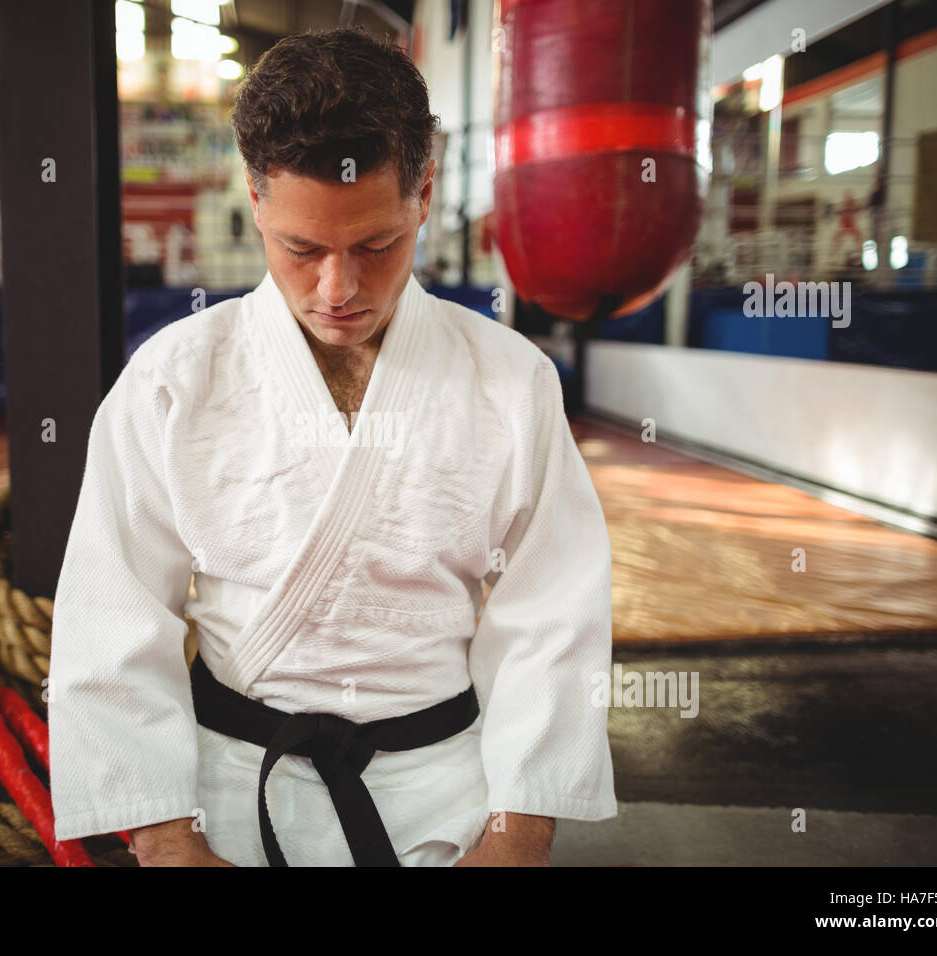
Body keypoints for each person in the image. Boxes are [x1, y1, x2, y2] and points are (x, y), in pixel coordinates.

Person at [47, 27, 616, 867]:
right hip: (230, 788)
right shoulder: (173, 379)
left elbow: (553, 621)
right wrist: (168, 839)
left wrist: (520, 828)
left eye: (375, 246)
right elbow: (114, 618)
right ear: (254, 198)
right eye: (301, 249)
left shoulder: (511, 379)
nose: (337, 289)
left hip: (447, 796)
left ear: (424, 192)